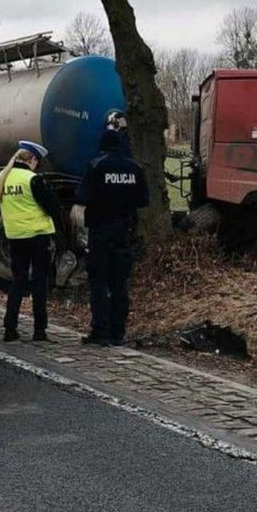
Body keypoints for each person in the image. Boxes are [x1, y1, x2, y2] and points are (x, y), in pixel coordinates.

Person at [73, 119, 149, 347]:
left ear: (103, 146)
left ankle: (101, 332)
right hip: (124, 232)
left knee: (98, 282)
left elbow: (82, 197)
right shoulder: (135, 168)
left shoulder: (96, 166)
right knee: (119, 284)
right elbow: (143, 200)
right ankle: (118, 333)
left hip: (100, 231)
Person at [0, 141, 62, 343]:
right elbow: (52, 207)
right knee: (40, 283)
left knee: (17, 282)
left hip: (14, 237)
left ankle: (9, 329)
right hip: (38, 237)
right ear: (32, 159)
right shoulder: (33, 179)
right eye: (36, 162)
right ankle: (39, 331)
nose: (36, 166)